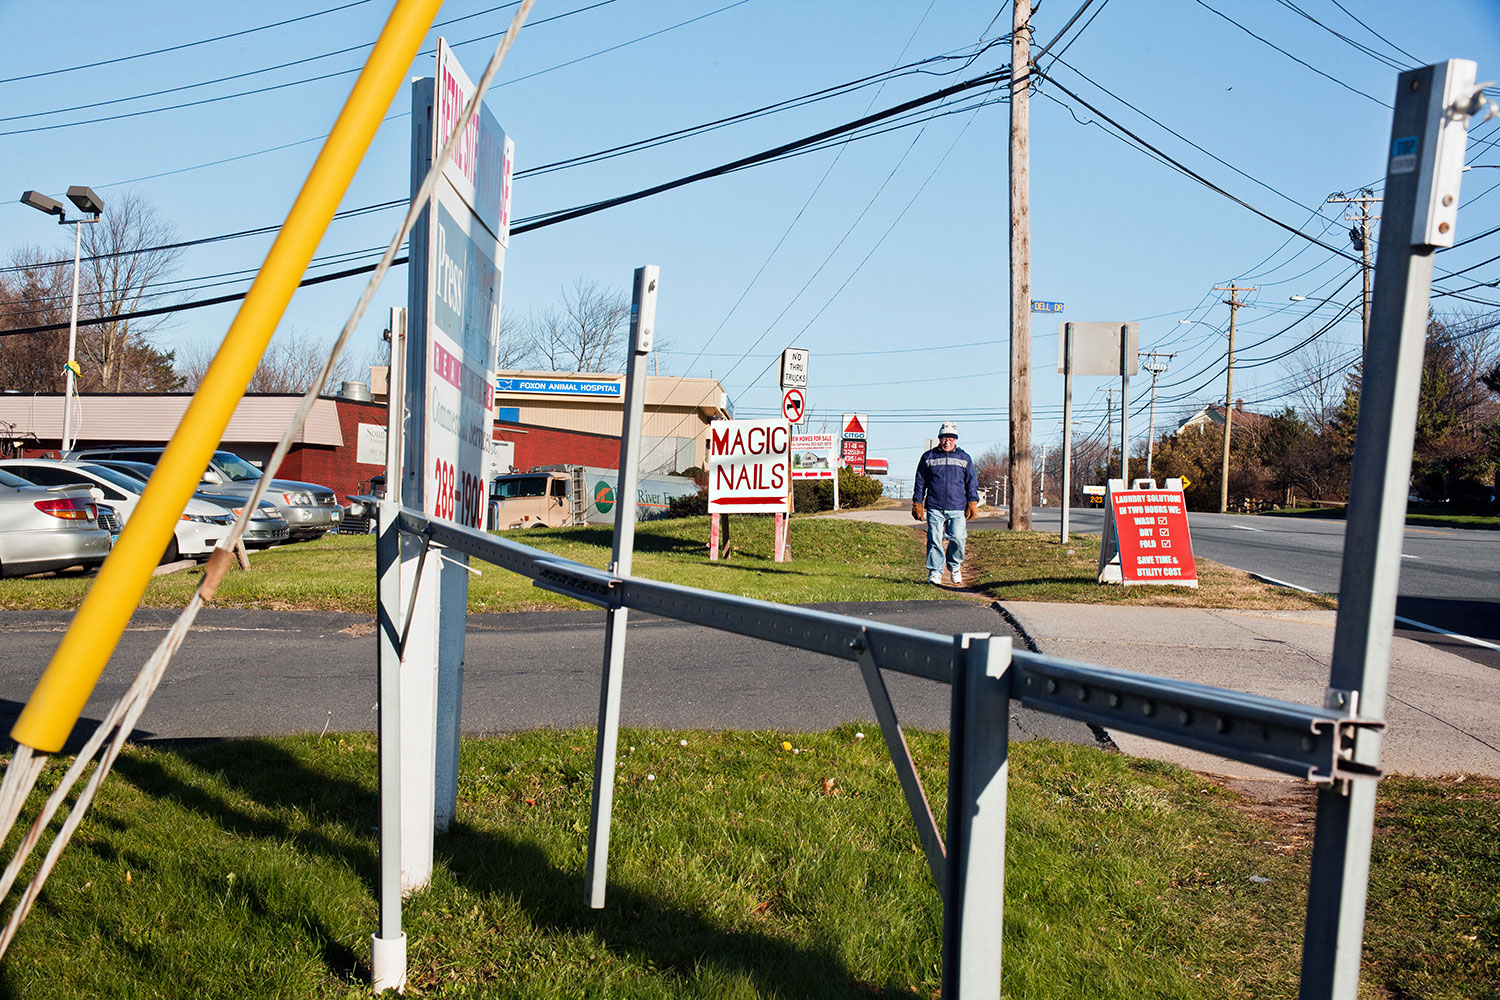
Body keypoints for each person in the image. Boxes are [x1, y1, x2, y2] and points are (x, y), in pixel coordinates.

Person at [911, 422, 978, 586]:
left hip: (957, 507)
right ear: (939, 439)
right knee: (934, 539)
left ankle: (955, 566)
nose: (947, 442)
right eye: (944, 438)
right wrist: (917, 502)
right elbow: (920, 481)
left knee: (958, 538)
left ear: (955, 440)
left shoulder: (964, 458)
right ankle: (935, 571)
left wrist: (973, 501)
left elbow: (971, 482)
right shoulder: (928, 457)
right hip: (935, 506)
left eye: (951, 439)